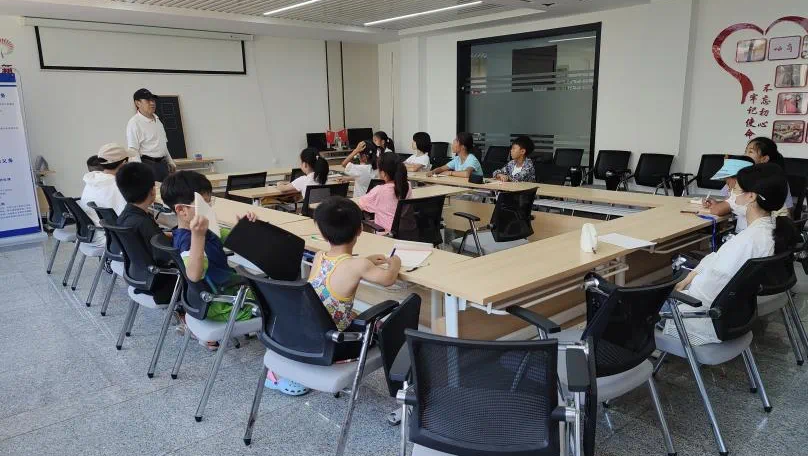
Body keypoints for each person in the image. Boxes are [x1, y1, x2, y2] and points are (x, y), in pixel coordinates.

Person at [665, 163, 797, 345]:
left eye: (736, 190)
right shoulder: (771, 230)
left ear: (751, 196)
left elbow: (706, 291)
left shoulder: (748, 241)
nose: (731, 195)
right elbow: (718, 264)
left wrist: (681, 289)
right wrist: (690, 277)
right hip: (736, 316)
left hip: (700, 319)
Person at [160, 171, 258, 350]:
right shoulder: (188, 239)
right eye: (203, 205)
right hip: (223, 304)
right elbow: (194, 275)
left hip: (210, 298)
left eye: (209, 202)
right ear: (181, 210)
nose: (209, 209)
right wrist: (198, 236)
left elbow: (235, 240)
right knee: (281, 302)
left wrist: (245, 228)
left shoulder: (207, 229)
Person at [311, 196, 401, 334]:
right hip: (337, 337)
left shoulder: (319, 256)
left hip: (314, 328)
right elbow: (388, 279)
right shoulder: (359, 265)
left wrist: (367, 260)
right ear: (360, 229)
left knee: (353, 314)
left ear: (323, 235)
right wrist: (395, 263)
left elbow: (342, 267)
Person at [115, 162, 176, 304]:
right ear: (153, 191)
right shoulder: (144, 223)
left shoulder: (124, 217)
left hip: (138, 276)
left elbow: (145, 241)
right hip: (162, 284)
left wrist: (164, 236)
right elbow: (167, 255)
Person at [79, 144, 131, 248]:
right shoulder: (118, 186)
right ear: (124, 164)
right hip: (109, 237)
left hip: (90, 232)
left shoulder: (92, 180)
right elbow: (128, 218)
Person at [126, 88, 176, 181]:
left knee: (165, 189)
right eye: (148, 101)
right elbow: (133, 151)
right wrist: (140, 171)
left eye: (153, 100)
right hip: (147, 165)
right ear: (137, 103)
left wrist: (170, 161)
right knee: (152, 190)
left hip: (163, 165)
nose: (152, 103)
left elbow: (163, 144)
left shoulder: (158, 121)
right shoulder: (134, 123)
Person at [358, 152, 412, 233]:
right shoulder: (407, 186)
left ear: (383, 174)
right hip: (406, 233)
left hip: (385, 235)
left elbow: (360, 205)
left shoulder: (379, 191)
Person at [702, 156, 754, 233]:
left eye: (727, 178)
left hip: (746, 235)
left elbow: (717, 211)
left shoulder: (741, 194)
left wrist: (716, 206)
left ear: (736, 178)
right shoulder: (754, 189)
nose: (725, 181)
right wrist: (717, 203)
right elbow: (731, 206)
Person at [743, 136, 793, 217]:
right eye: (745, 151)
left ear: (764, 159)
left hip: (765, 223)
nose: (745, 155)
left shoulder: (774, 181)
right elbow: (726, 198)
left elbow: (787, 213)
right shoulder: (743, 175)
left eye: (750, 152)